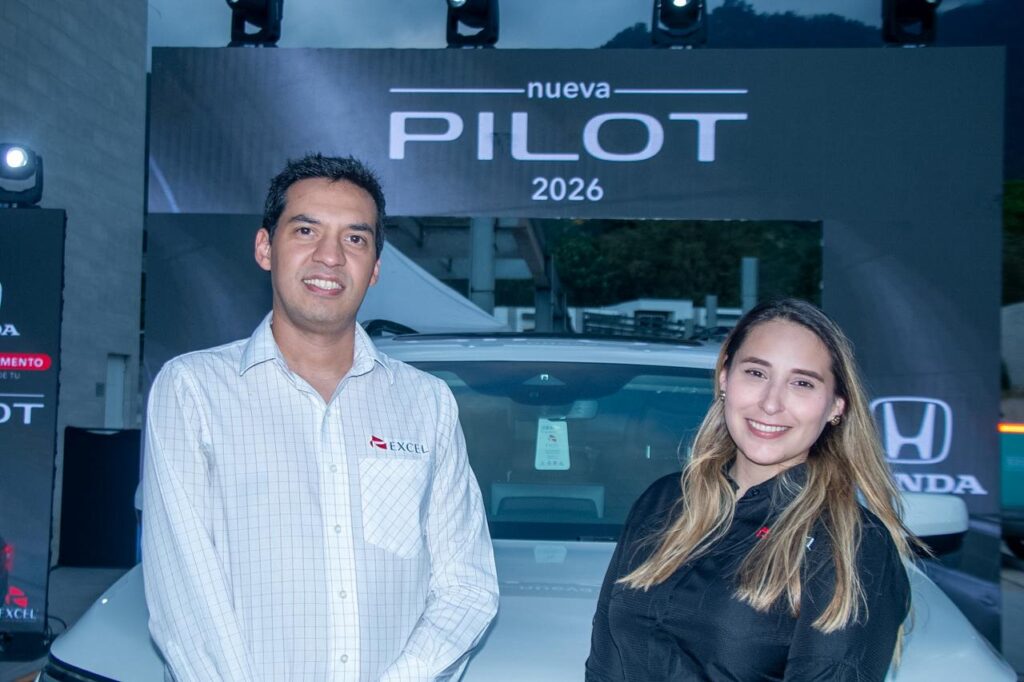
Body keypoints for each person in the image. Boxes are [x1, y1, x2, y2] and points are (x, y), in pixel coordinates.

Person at [141, 154, 498, 682]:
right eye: (306, 230)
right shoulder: (193, 390)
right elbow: (185, 595)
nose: (330, 257)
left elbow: (466, 584)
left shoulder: (427, 403)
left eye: (355, 239)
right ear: (265, 247)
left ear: (375, 268)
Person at [587, 298, 913, 682]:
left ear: (836, 407)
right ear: (725, 378)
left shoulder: (851, 543)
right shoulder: (663, 502)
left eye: (802, 383)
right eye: (756, 373)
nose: (771, 403)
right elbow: (605, 665)